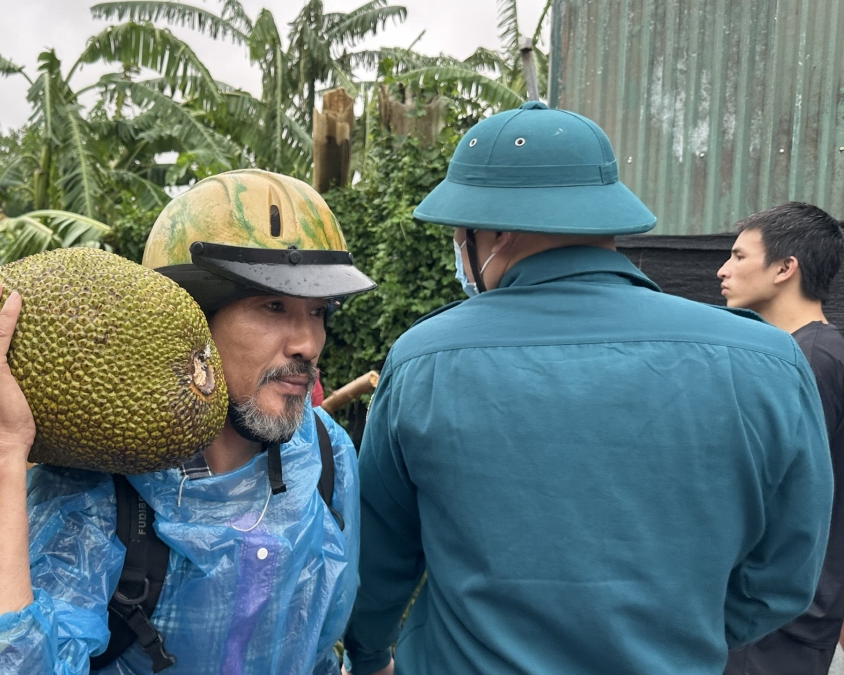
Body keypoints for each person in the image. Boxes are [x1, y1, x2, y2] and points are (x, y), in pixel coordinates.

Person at [341, 103, 834, 675]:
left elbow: (378, 560)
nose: (458, 246)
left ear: (493, 233)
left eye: (459, 232)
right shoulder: (768, 361)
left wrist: (371, 654)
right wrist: (681, 630)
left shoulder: (424, 360)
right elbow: (788, 572)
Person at [0, 169, 375, 673]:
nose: (306, 343)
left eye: (318, 312)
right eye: (273, 306)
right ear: (190, 317)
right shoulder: (100, 486)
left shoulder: (326, 454)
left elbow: (321, 638)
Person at [716, 202, 844, 674]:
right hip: (793, 610)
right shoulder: (820, 353)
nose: (722, 270)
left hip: (774, 617)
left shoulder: (807, 362)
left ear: (785, 268)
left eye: (738, 256)